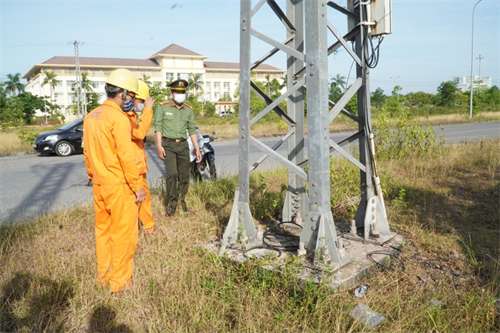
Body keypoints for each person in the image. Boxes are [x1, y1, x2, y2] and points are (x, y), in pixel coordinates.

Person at [83, 68, 146, 294]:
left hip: (99, 185)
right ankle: (120, 282)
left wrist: (93, 175)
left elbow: (87, 153)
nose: (131, 101)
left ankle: (104, 276)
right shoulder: (118, 118)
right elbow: (125, 157)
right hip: (119, 186)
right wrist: (137, 187)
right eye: (130, 96)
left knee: (103, 232)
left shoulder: (91, 116)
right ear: (122, 94)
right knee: (123, 234)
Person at [154, 79, 201, 216]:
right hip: (168, 145)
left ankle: (182, 201)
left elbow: (192, 130)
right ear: (172, 93)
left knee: (184, 176)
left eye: (183, 92)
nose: (181, 94)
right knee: (172, 174)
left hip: (183, 145)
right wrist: (158, 145)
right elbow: (158, 127)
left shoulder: (189, 110)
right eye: (177, 92)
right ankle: (172, 204)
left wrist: (197, 148)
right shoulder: (163, 107)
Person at [126, 79, 157, 234]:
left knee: (144, 198)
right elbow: (140, 133)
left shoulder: (131, 116)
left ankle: (148, 226)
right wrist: (148, 110)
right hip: (132, 167)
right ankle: (133, 233)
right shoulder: (124, 117)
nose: (142, 104)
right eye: (141, 101)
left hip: (138, 165)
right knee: (134, 201)